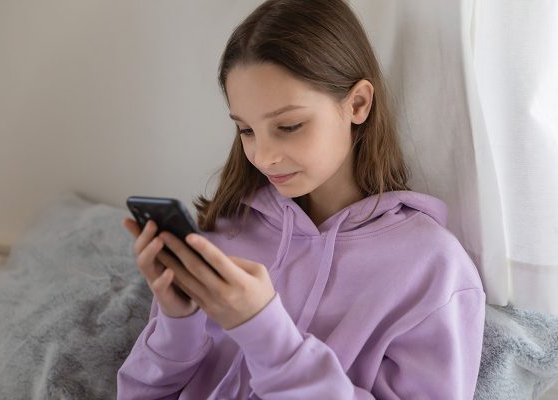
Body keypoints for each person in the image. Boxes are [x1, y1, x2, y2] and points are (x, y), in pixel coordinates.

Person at [117, 0, 486, 398]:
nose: (262, 156)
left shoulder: (432, 268)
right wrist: (178, 321)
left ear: (358, 104)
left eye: (289, 126)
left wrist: (263, 330)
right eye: (246, 130)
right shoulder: (225, 232)